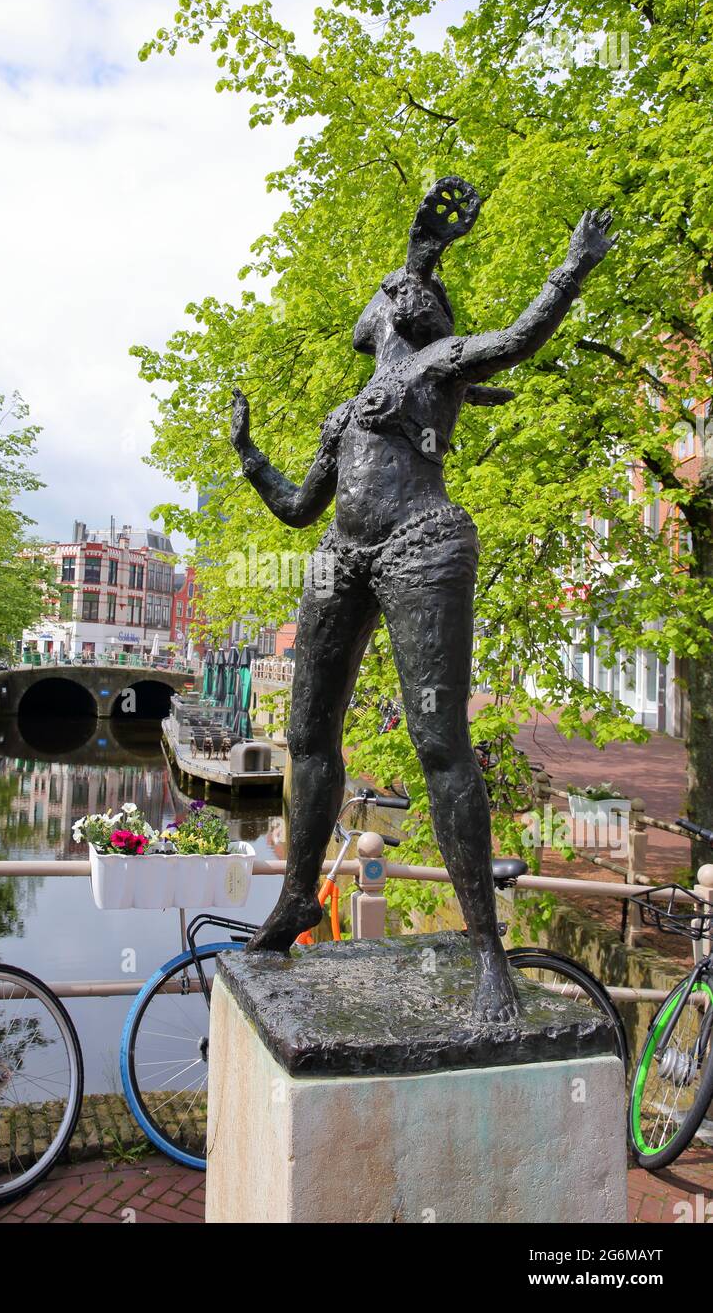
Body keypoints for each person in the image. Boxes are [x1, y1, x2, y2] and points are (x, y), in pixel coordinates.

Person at [231, 176, 616, 1020]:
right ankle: (298, 899)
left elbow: (518, 337)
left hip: (421, 545)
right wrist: (251, 455)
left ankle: (487, 951)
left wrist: (571, 268)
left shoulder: (438, 365)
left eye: (393, 293)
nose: (380, 298)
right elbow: (301, 509)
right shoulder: (344, 412)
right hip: (343, 553)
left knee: (441, 743)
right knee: (305, 734)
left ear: (404, 317)